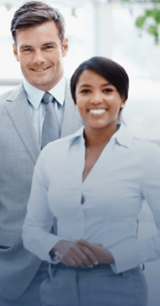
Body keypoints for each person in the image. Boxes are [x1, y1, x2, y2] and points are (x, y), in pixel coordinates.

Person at [0, 1, 82, 305]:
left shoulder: (95, 108)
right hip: (12, 279)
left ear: (64, 46)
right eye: (27, 49)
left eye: (48, 46)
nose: (38, 59)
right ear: (15, 52)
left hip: (87, 273)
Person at [22, 56, 159, 306]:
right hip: (58, 288)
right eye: (85, 91)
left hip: (120, 288)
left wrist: (114, 255)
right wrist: (56, 245)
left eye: (107, 90)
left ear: (123, 98)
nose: (96, 99)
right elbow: (31, 230)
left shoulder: (147, 157)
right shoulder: (52, 155)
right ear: (75, 100)